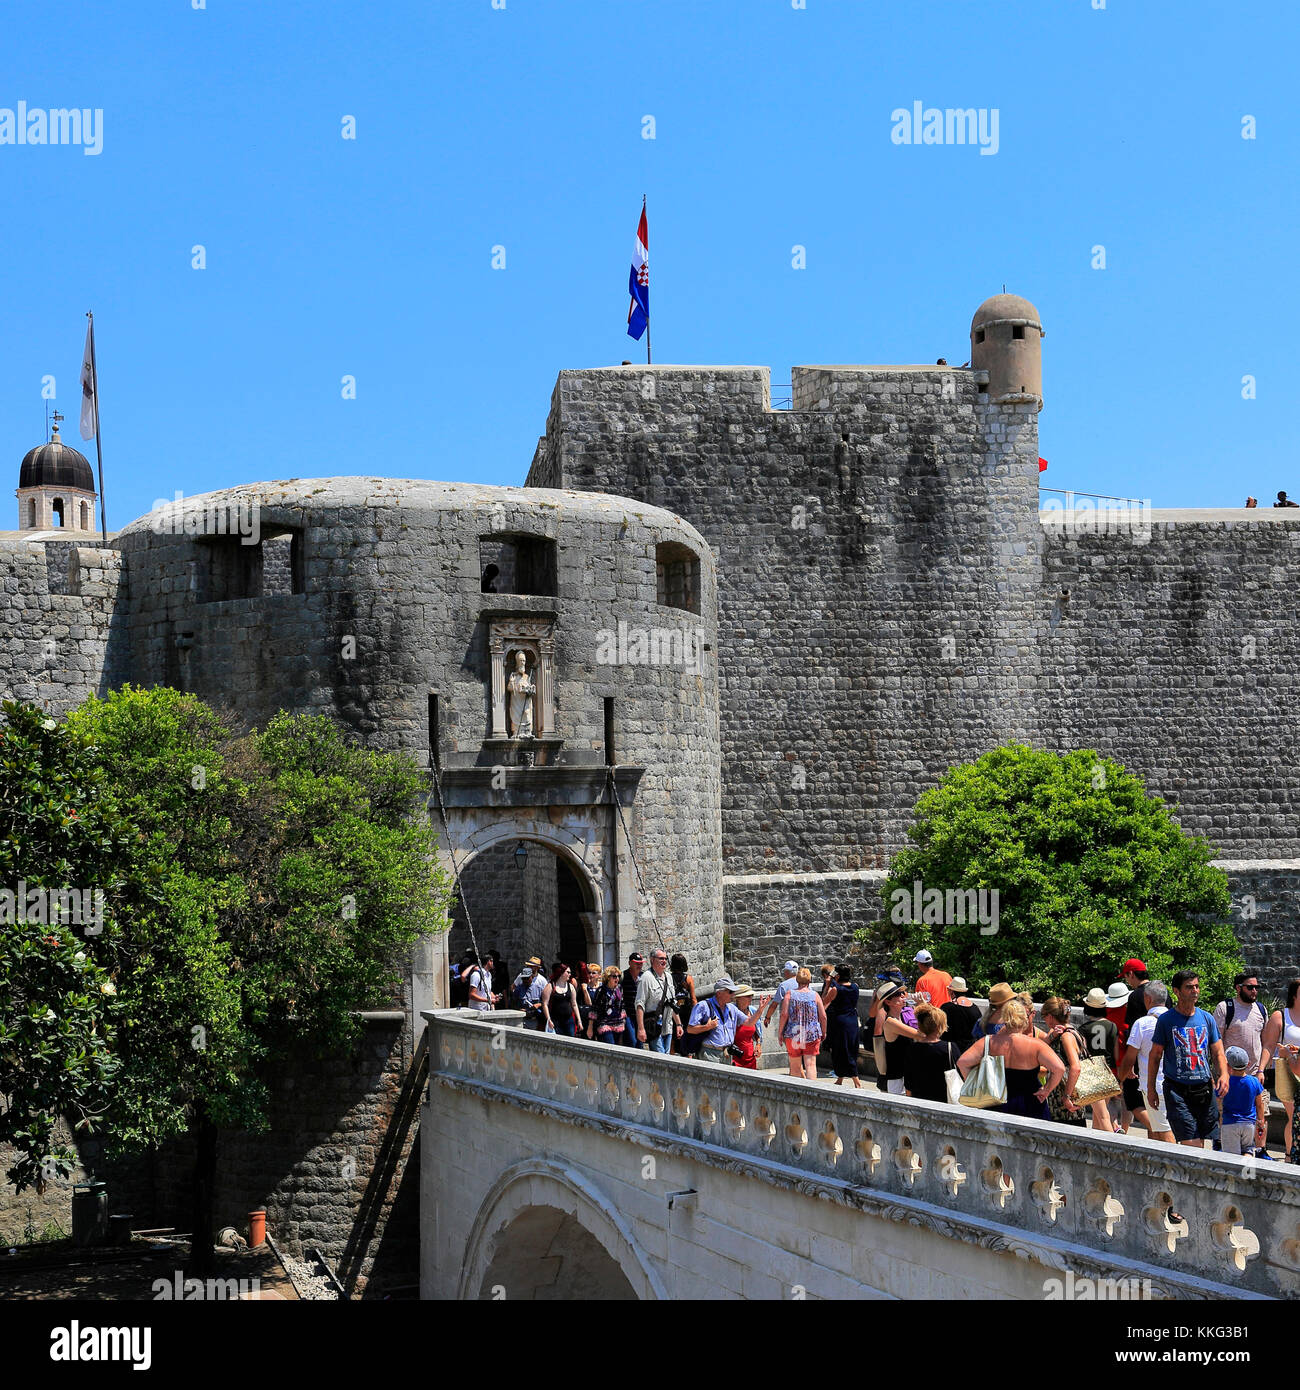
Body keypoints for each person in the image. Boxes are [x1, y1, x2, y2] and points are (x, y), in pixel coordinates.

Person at [1147, 971, 1228, 1148]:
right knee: (1190, 1141)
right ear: (1176, 991)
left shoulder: (1207, 1018)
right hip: (1177, 1088)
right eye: (1189, 987)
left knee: (1201, 1141)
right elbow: (1155, 1056)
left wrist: (1224, 1075)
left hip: (1204, 1088)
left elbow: (1218, 1052)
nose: (1195, 991)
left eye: (1197, 986)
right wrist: (1151, 1088)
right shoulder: (1166, 1020)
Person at [956, 999, 1065, 1120]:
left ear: (1004, 1018)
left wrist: (977, 1085)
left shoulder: (988, 1042)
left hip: (996, 1102)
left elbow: (962, 1063)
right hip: (1030, 1103)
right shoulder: (1036, 1045)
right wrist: (1047, 1090)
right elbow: (1059, 1068)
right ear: (1024, 1018)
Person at [1118, 981, 1175, 1144]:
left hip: (1154, 1085)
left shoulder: (1142, 1023)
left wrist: (1119, 1080)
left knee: (1164, 1130)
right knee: (1157, 1129)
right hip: (1176, 1082)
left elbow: (1129, 1058)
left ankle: (1175, 1168)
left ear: (1147, 999)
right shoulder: (1177, 1020)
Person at [1262, 978, 1300, 1155]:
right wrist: (1261, 1069)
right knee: (1294, 1115)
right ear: (1294, 995)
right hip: (1286, 1070)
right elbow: (1269, 1046)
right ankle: (1289, 1154)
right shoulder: (1281, 1016)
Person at [1076, 987, 1120, 1132]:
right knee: (1099, 1113)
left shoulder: (1083, 1029)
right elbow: (1116, 1055)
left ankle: (1111, 1145)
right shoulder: (1112, 1026)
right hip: (1108, 1071)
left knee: (1102, 1116)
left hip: (1092, 1073)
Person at [1039, 997, 1087, 1127]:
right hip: (1063, 1099)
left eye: (1044, 1016)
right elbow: (1038, 1049)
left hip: (1065, 1103)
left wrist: (1067, 1097)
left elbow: (1076, 1067)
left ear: (1050, 1016)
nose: (1044, 1020)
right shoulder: (1072, 1032)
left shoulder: (1066, 1036)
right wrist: (1051, 1036)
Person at [1213, 972, 1269, 1081]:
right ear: (1238, 988)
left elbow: (1266, 1043)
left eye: (1256, 987)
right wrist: (1222, 1072)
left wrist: (1261, 1070)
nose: (1254, 991)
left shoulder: (1261, 1010)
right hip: (1230, 1075)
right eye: (1250, 987)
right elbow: (1216, 1043)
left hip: (1254, 1076)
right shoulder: (1225, 1008)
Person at [903, 1003, 960, 1103]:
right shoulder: (949, 1048)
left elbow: (908, 1083)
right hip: (945, 1100)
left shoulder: (912, 1049)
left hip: (919, 1100)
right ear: (940, 1026)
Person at [779, 967, 828, 1080]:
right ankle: (812, 1094)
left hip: (794, 1034)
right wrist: (823, 1032)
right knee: (810, 1065)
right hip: (811, 1034)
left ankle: (796, 1094)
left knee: (795, 1066)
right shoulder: (815, 995)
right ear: (809, 981)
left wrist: (780, 1033)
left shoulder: (789, 994)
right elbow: (823, 1017)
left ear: (797, 980)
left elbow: (784, 1015)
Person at [688, 978, 750, 1064]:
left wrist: (761, 1010)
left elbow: (749, 1022)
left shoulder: (731, 1008)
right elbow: (690, 1029)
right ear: (719, 993)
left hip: (727, 1054)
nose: (733, 995)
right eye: (730, 992)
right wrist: (707, 1027)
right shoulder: (703, 1006)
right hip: (709, 1054)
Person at [1220, 1046, 1268, 1157]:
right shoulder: (1254, 1081)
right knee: (1248, 1150)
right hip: (1249, 1123)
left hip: (1229, 1123)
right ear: (1248, 1063)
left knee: (1231, 1157)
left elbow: (1218, 1101)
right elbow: (1260, 1104)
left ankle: (1235, 1174)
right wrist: (1261, 1121)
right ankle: (1248, 1172)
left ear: (1228, 1065)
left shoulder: (1225, 1082)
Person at [635, 949, 680, 1053]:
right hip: (654, 1026)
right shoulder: (646, 978)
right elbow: (639, 1005)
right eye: (661, 958)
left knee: (667, 1056)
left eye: (665, 958)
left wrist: (678, 1024)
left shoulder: (668, 977)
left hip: (667, 1026)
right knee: (661, 1058)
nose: (664, 961)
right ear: (652, 960)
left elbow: (672, 1003)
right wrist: (641, 1029)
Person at [877, 980, 918, 1094]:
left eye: (902, 993)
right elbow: (920, 1034)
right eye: (897, 994)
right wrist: (922, 1004)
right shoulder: (891, 1022)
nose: (902, 996)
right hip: (897, 1078)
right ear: (888, 1002)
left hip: (906, 1074)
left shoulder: (903, 1018)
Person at [825, 965, 861, 1086]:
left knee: (841, 1050)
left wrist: (828, 985)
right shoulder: (855, 987)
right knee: (850, 1048)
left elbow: (824, 1001)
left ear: (838, 976)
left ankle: (856, 1080)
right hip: (852, 1020)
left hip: (840, 1022)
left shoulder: (836, 989)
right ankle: (840, 1078)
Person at [731, 985, 769, 1069]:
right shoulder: (731, 1011)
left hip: (750, 1055)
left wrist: (758, 1045)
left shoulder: (753, 1011)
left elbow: (757, 1032)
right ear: (738, 998)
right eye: (748, 996)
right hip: (735, 1056)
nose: (751, 998)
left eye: (751, 996)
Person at [587, 965, 626, 1044]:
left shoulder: (619, 989)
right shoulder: (601, 990)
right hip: (604, 1023)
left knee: (617, 1049)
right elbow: (594, 1009)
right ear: (608, 977)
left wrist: (623, 1021)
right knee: (610, 1045)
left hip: (618, 1023)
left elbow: (622, 1006)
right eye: (614, 976)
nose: (617, 979)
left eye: (618, 976)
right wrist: (590, 1027)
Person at [669, 953, 699, 1056]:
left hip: (674, 1009)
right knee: (687, 1033)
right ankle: (688, 1055)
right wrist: (697, 1014)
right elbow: (694, 998)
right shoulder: (688, 978)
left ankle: (671, 1053)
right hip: (686, 1009)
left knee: (673, 1034)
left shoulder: (669, 977)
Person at [541, 962, 579, 1036]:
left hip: (569, 1019)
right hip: (555, 1020)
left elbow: (574, 1004)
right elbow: (545, 1004)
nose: (570, 974)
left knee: (571, 1040)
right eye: (568, 972)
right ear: (561, 972)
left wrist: (579, 1021)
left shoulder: (570, 986)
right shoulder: (550, 986)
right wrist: (549, 1019)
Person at [941, 978, 980, 1048]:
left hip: (951, 1049)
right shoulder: (975, 1008)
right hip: (969, 1050)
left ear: (951, 991)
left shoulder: (946, 1008)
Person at [762, 961, 800, 1029]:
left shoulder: (784, 985)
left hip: (789, 1024)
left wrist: (767, 1017)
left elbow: (774, 1005)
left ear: (787, 972)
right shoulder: (805, 984)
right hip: (804, 1022)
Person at [621, 953, 646, 1047]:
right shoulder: (623, 976)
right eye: (637, 963)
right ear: (630, 963)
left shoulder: (644, 977)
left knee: (640, 1041)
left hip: (641, 1014)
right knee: (632, 1040)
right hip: (628, 1014)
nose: (639, 966)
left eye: (641, 963)